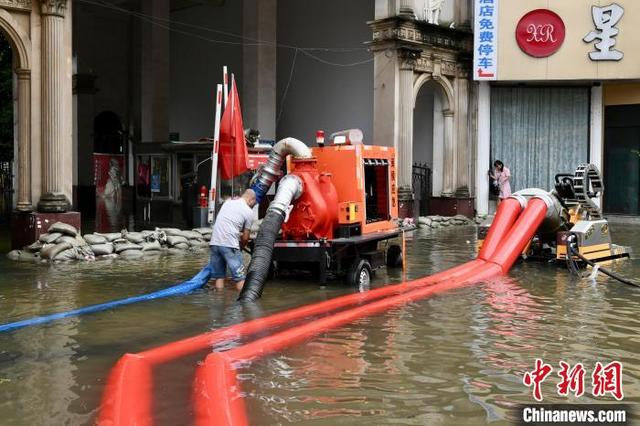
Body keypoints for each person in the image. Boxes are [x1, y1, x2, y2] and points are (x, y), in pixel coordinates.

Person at [209, 189, 257, 291]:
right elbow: (245, 237)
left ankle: (219, 300)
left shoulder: (228, 202)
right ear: (251, 200)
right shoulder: (248, 212)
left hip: (214, 243)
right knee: (240, 278)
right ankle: (246, 303)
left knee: (219, 277)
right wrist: (241, 247)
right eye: (254, 203)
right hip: (229, 244)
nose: (253, 205)